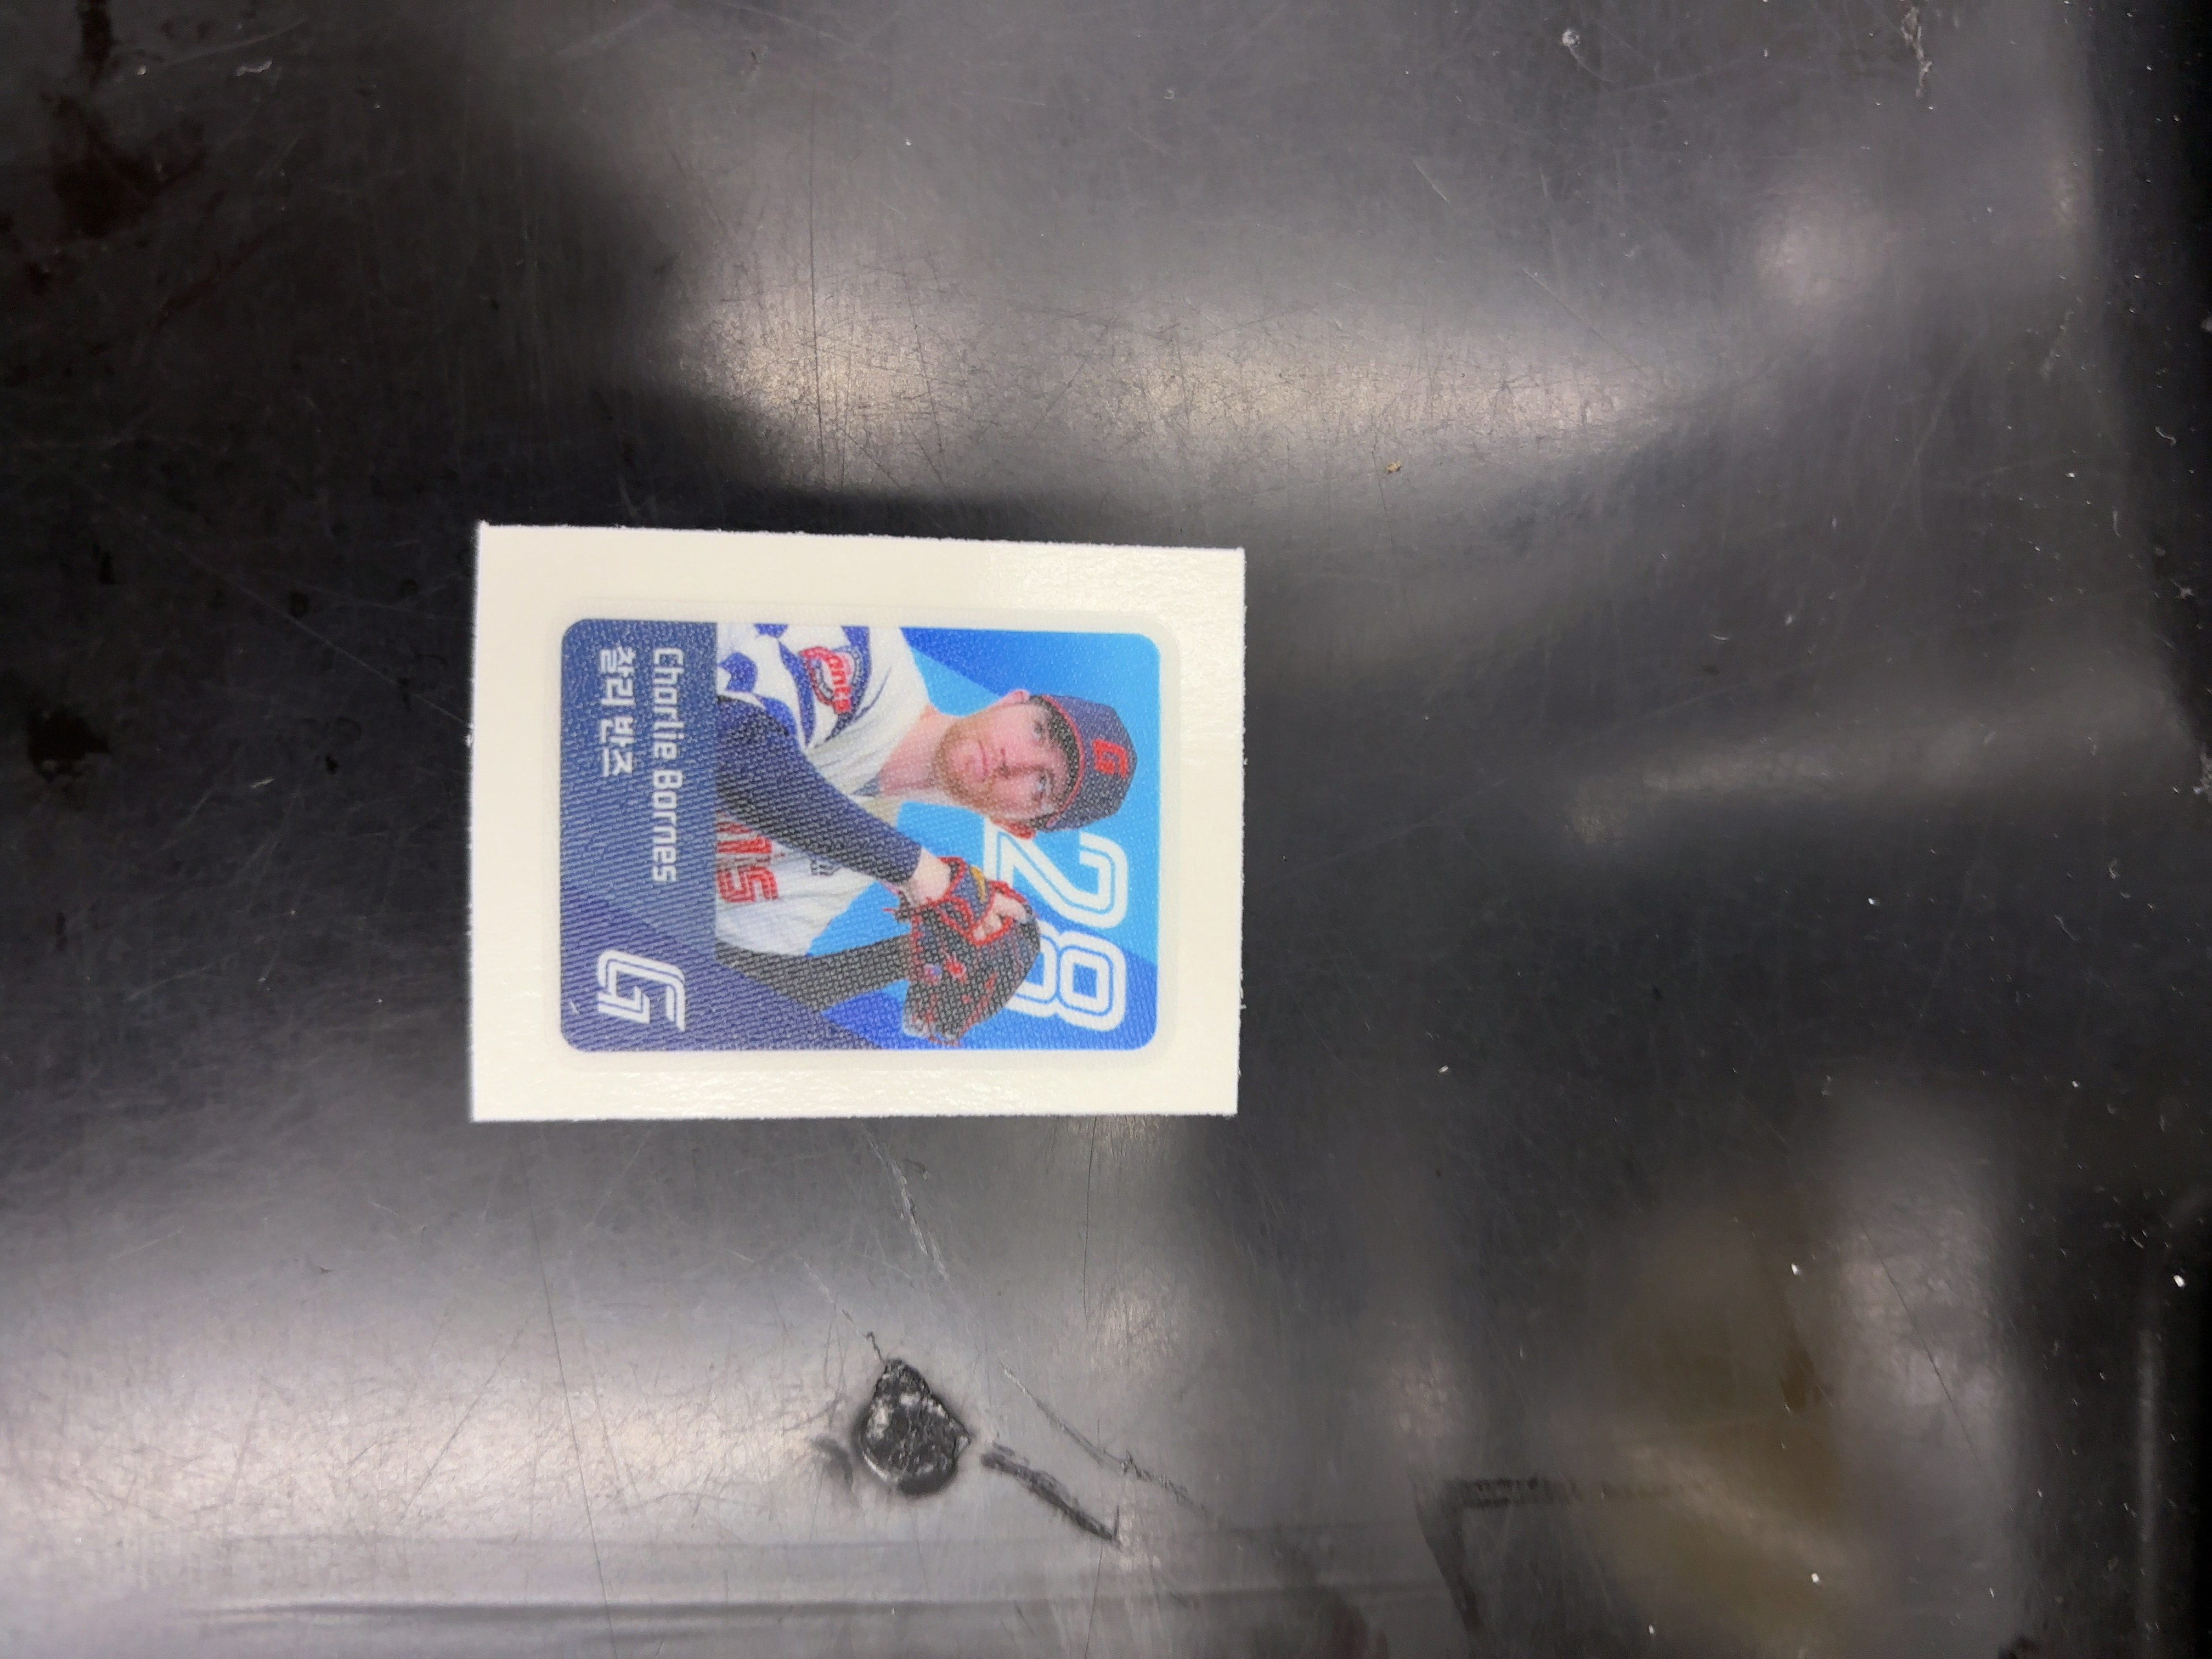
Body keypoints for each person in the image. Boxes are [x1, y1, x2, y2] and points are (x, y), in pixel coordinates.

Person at [711, 623, 1137, 977]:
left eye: (1042, 784)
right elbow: (728, 749)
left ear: (1015, 826)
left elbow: (743, 979)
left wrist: (905, 960)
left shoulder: (856, 862)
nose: (1017, 761)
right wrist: (914, 869)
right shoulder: (874, 657)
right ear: (1010, 703)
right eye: (1038, 732)